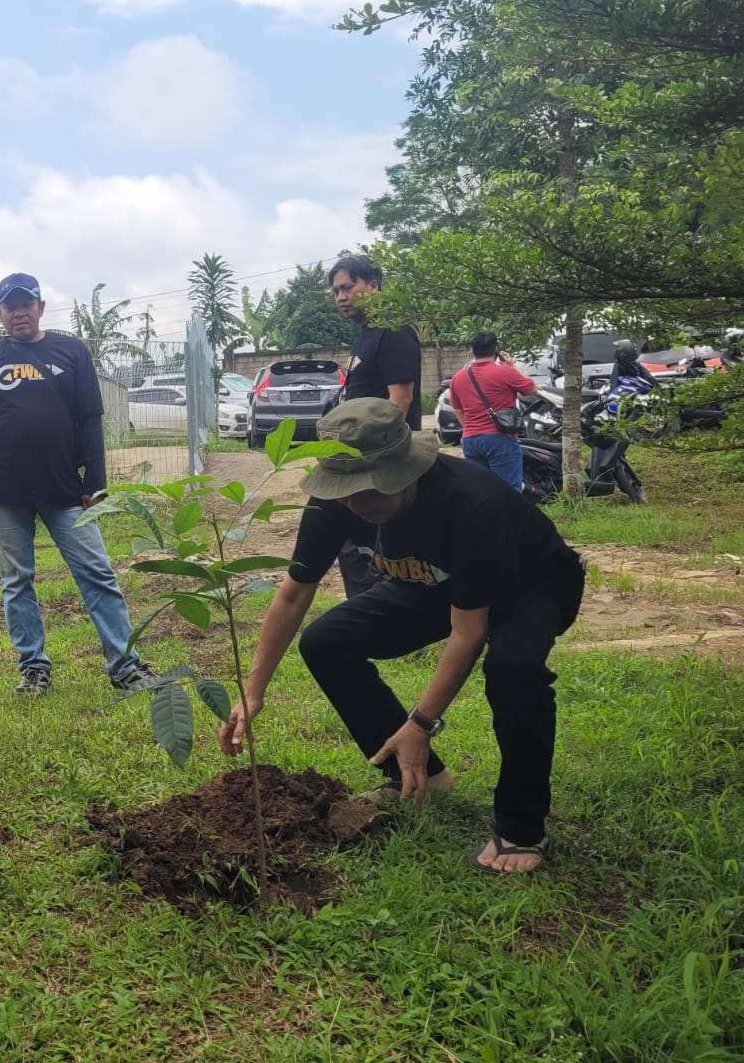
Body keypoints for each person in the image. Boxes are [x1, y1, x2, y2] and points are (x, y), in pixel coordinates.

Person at [218, 399, 584, 875]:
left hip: (531, 583)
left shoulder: (471, 503)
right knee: (327, 641)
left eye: (368, 493)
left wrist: (421, 723)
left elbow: (469, 632)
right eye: (345, 493)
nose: (355, 506)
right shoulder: (338, 502)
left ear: (407, 471)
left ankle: (522, 825)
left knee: (514, 669)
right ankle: (420, 779)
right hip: (434, 583)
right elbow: (293, 595)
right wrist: (252, 693)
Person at [0, 273, 157, 696]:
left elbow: (90, 419)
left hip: (65, 490)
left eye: (26, 303)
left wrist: (96, 482)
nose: (18, 312)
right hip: (3, 490)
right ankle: (33, 668)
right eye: (9, 306)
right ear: (0, 312)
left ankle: (124, 665)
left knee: (97, 572)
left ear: (39, 307)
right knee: (16, 580)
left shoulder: (71, 350)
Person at [329, 253, 422, 599]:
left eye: (348, 287)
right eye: (336, 291)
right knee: (356, 544)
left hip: (382, 461)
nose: (341, 297)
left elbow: (401, 400)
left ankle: (382, 610)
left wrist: (375, 459)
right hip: (358, 457)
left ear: (373, 286)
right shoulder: (366, 335)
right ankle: (367, 608)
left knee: (372, 543)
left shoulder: (393, 331)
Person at [447, 331, 535, 493]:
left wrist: (472, 428)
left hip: (470, 440)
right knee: (508, 492)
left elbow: (457, 409)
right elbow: (531, 388)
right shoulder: (505, 373)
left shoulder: (458, 377)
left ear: (473, 352)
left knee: (481, 491)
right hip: (500, 439)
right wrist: (512, 366)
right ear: (496, 350)